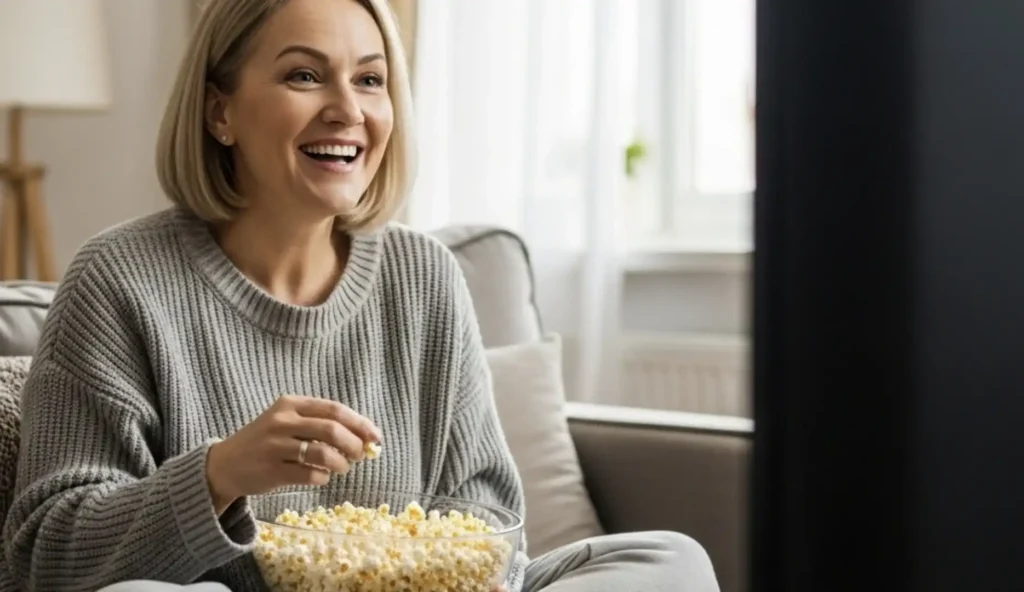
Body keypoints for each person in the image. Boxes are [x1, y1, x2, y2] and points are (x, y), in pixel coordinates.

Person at [0, 0, 721, 591]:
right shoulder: (119, 280)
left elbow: (487, 510)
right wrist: (221, 473)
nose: (348, 110)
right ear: (221, 112)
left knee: (669, 561)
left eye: (370, 80)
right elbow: (45, 554)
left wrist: (398, 566)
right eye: (305, 75)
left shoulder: (425, 277)